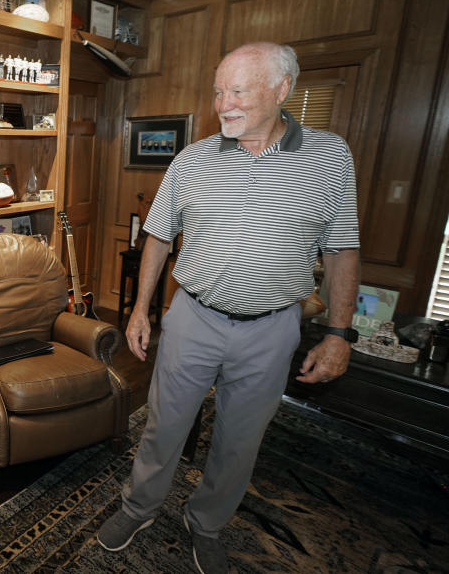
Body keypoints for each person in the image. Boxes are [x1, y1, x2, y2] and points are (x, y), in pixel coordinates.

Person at [97, 42, 360, 574]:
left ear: (282, 89)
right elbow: (157, 236)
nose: (224, 103)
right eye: (219, 91)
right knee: (164, 426)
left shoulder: (330, 158)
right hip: (194, 317)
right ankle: (139, 507)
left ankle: (208, 523)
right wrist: (140, 310)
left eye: (238, 90)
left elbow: (342, 247)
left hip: (272, 327)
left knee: (240, 440)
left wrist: (339, 333)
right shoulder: (192, 159)